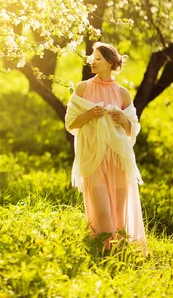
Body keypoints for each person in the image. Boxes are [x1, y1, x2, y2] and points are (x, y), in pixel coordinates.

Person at [64, 42, 147, 254]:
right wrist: (90, 115)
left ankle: (120, 251)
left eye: (98, 58)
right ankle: (103, 250)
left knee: (119, 210)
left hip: (118, 157)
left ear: (110, 63)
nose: (92, 61)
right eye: (92, 57)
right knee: (102, 210)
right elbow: (70, 123)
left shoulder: (122, 94)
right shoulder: (83, 88)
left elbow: (132, 129)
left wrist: (123, 120)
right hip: (93, 157)